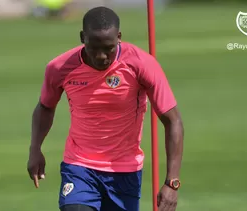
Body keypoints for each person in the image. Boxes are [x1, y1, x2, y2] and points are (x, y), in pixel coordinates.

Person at [27, 6, 184, 211]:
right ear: (83, 37)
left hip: (125, 171)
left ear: (119, 37)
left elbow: (173, 120)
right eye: (94, 48)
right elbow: (45, 107)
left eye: (108, 48)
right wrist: (35, 148)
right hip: (79, 166)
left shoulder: (141, 64)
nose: (101, 57)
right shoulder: (59, 67)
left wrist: (172, 182)